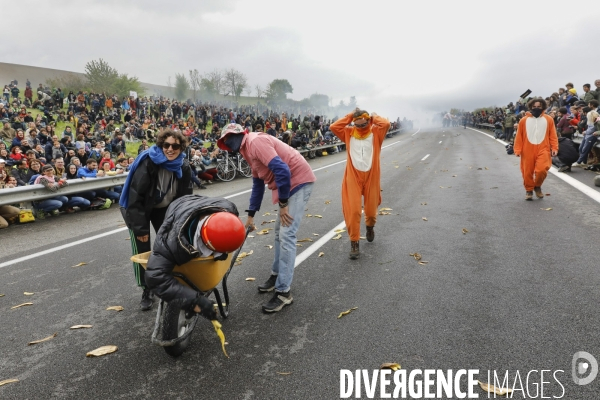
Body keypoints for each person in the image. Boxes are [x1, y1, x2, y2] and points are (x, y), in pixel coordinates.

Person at [217, 123, 316, 313]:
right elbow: (257, 185)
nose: (228, 142)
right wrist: (251, 215)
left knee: (287, 235)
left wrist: (284, 204)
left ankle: (283, 292)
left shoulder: (255, 142)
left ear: (240, 134)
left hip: (297, 181)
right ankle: (276, 274)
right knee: (279, 233)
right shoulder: (246, 151)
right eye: (224, 140)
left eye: (230, 137)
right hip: (286, 184)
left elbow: (282, 170)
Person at [119, 129, 193, 311]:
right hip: (140, 208)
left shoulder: (183, 166)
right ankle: (147, 289)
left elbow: (185, 198)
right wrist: (140, 230)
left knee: (171, 244)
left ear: (181, 148)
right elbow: (135, 197)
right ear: (161, 145)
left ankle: (170, 281)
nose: (170, 149)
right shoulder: (148, 162)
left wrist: (184, 224)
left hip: (165, 208)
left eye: (175, 146)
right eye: (166, 145)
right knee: (143, 250)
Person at [145, 195, 246, 319]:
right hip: (179, 205)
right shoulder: (171, 242)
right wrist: (194, 301)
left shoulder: (229, 209)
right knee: (167, 264)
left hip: (207, 202)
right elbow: (154, 276)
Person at [329, 108, 391, 259]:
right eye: (358, 125)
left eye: (364, 125)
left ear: (368, 122)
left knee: (370, 211)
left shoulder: (376, 133)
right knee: (354, 211)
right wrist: (350, 115)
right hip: (353, 177)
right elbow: (334, 127)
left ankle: (370, 227)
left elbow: (386, 124)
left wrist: (374, 117)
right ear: (353, 123)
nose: (361, 128)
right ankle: (354, 242)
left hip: (371, 176)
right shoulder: (348, 133)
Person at [513, 99, 558, 200]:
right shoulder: (523, 120)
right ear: (530, 107)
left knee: (542, 169)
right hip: (527, 149)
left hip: (544, 148)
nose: (536, 108)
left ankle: (537, 186)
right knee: (527, 171)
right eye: (534, 107)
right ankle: (529, 190)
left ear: (543, 107)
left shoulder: (549, 119)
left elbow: (553, 135)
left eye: (539, 106)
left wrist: (554, 147)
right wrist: (517, 149)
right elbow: (519, 136)